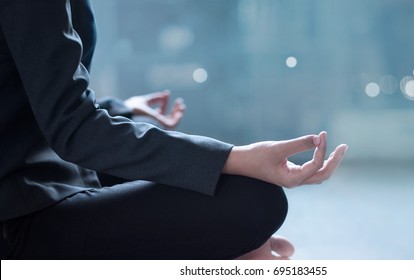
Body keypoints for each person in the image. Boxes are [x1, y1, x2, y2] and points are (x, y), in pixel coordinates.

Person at [0, 0, 348, 259]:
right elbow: (72, 130)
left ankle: (247, 254)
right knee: (255, 202)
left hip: (48, 178)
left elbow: (34, 100)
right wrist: (236, 157)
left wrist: (117, 109)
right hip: (20, 212)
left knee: (237, 211)